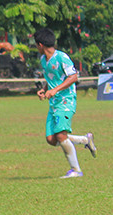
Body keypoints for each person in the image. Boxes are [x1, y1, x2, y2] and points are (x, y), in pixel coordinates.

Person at [34, 28, 97, 179]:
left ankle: (76, 170)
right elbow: (53, 79)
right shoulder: (44, 60)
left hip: (66, 101)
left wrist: (55, 90)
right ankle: (85, 139)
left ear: (40, 44)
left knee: (61, 135)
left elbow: (73, 77)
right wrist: (44, 89)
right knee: (51, 139)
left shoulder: (62, 57)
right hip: (54, 103)